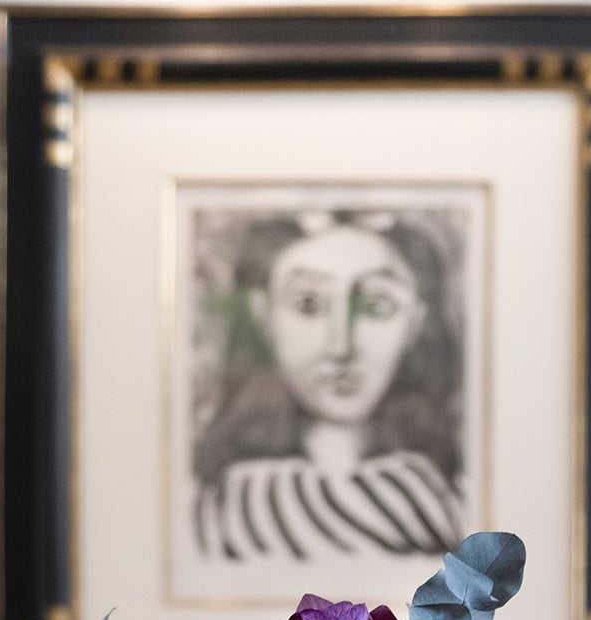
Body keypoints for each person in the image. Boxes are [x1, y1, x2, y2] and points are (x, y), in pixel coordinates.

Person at [193, 211, 467, 563]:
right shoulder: (217, 510)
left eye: (376, 306)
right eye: (308, 304)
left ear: (415, 321)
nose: (340, 348)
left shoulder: (450, 503)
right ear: (263, 315)